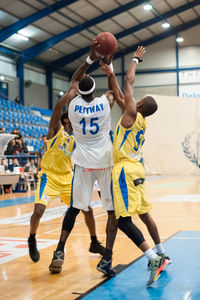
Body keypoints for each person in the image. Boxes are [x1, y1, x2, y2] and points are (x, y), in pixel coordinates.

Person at [101, 46, 171, 287]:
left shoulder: (132, 111)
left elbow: (128, 82)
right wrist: (110, 72)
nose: (134, 98)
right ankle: (162, 252)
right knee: (144, 213)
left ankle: (153, 259)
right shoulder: (136, 118)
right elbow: (119, 93)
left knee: (122, 220)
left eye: (138, 99)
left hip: (124, 171)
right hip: (137, 169)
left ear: (139, 104)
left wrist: (135, 59)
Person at [49, 39, 118, 276]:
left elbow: (74, 80)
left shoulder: (74, 104)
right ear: (95, 93)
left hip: (82, 163)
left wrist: (90, 56)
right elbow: (113, 89)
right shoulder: (104, 104)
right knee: (111, 211)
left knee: (75, 208)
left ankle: (59, 250)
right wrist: (108, 63)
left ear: (80, 92)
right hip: (104, 163)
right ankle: (106, 259)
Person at [28, 94, 104, 263]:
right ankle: (32, 239)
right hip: (49, 177)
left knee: (88, 209)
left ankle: (94, 242)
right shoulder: (55, 131)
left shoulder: (77, 139)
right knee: (38, 211)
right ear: (66, 121)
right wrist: (69, 96)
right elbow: (56, 110)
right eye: (71, 118)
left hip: (68, 179)